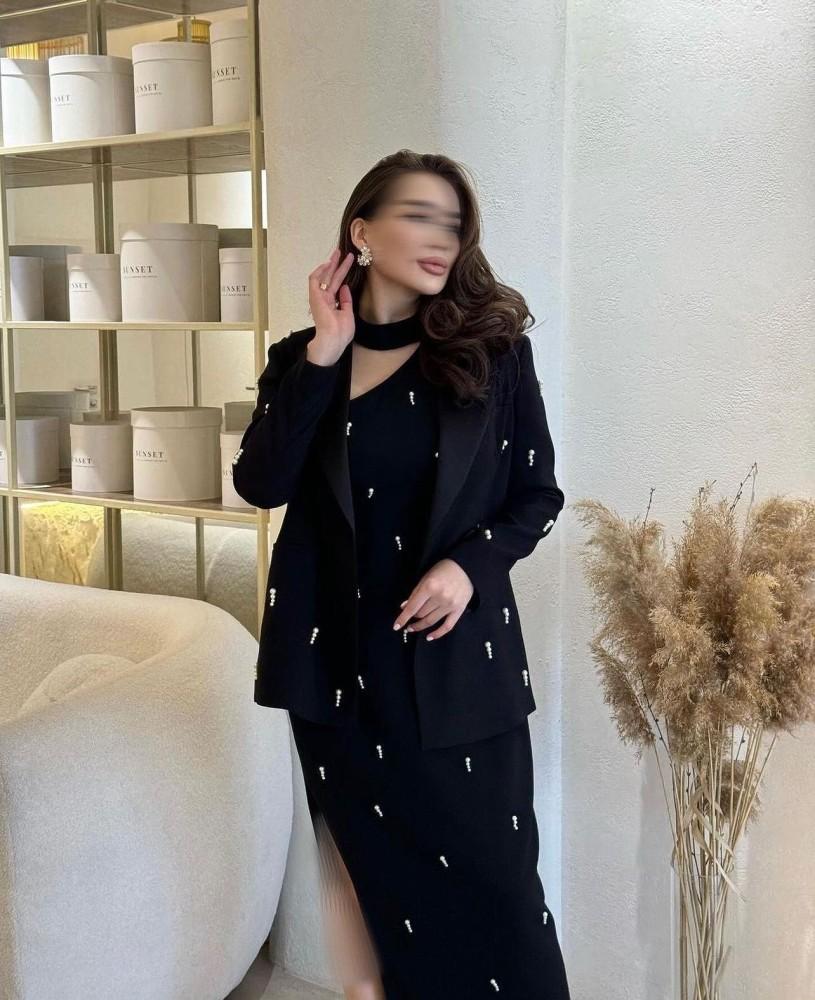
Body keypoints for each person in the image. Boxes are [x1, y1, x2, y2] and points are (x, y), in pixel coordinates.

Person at [235, 149, 571, 999]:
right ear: (361, 231)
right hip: (338, 677)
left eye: (453, 224)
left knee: (501, 897)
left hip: (458, 671)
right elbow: (260, 484)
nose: (440, 238)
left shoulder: (491, 354)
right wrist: (326, 354)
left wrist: (468, 566)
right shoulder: (302, 360)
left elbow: (537, 494)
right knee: (373, 901)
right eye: (419, 215)